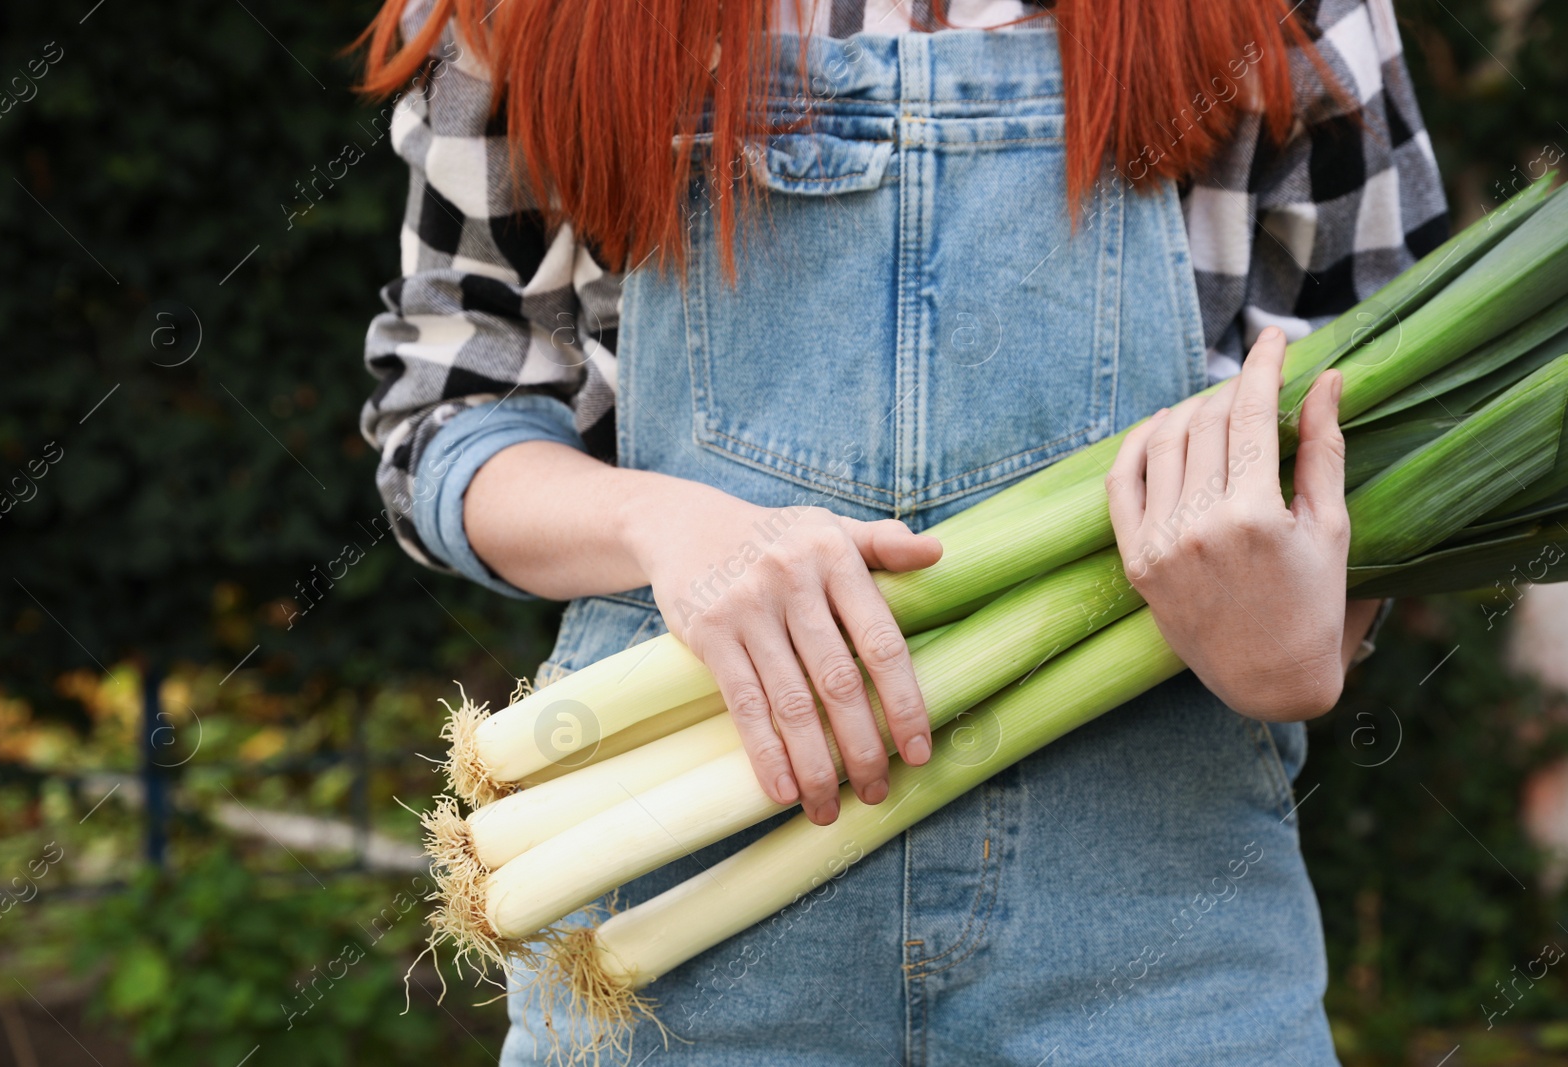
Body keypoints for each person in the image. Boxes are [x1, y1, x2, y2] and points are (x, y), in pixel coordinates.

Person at [358, 0, 1446, 1061]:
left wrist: (1307, 647)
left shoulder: (1303, 10)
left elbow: (1389, 430)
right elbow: (442, 412)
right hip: (664, 958)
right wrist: (661, 521)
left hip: (1160, 951)